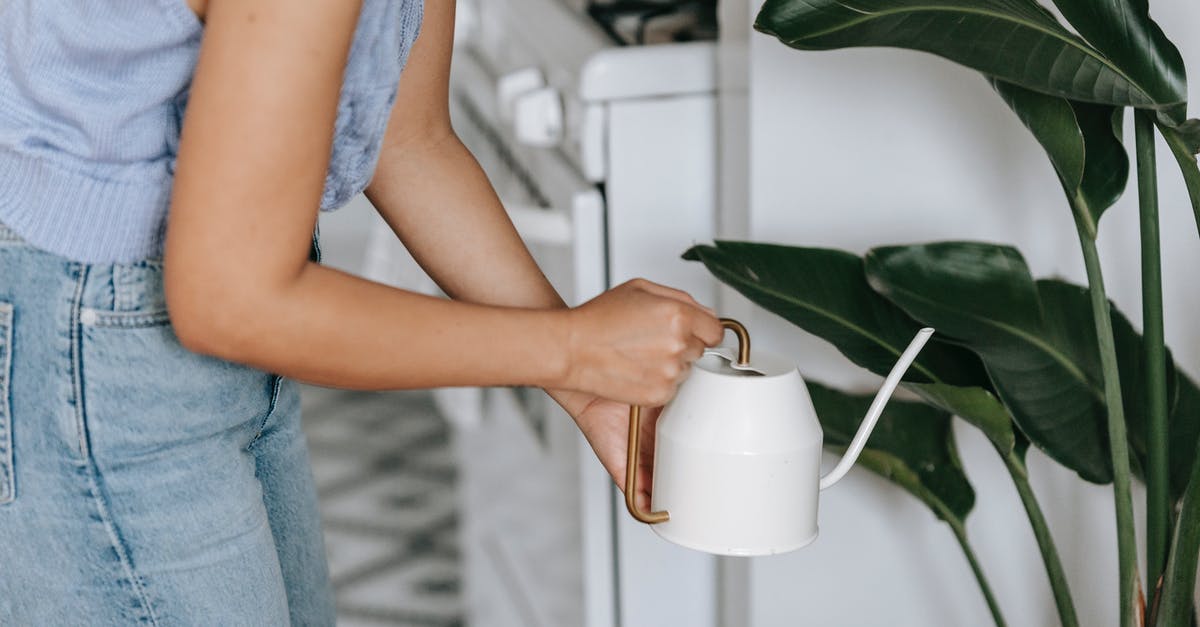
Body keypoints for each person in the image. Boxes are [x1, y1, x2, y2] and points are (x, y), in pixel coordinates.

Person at [0, 1, 723, 624]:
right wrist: (570, 347)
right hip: (87, 346)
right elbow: (229, 300)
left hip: (205, 329)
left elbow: (410, 140)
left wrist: (587, 381)